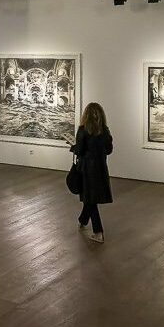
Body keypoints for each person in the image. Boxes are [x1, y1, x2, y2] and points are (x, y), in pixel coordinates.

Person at [66, 102, 113, 243]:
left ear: (86, 115)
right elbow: (109, 150)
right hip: (100, 168)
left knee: (90, 200)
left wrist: (72, 146)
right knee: (90, 198)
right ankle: (82, 220)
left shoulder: (83, 130)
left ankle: (98, 232)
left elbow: (80, 150)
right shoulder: (105, 131)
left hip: (86, 169)